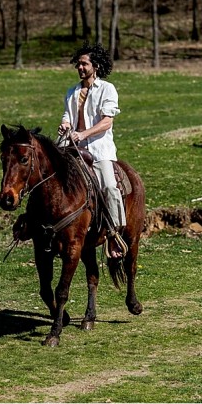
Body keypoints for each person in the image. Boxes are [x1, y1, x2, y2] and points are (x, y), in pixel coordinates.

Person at [57, 43, 127, 258]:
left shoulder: (107, 89)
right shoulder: (72, 91)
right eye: (78, 64)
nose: (80, 67)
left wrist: (83, 134)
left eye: (84, 63)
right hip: (72, 147)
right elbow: (68, 116)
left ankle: (115, 235)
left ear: (95, 66)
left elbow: (107, 122)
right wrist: (66, 125)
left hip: (99, 150)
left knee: (109, 187)